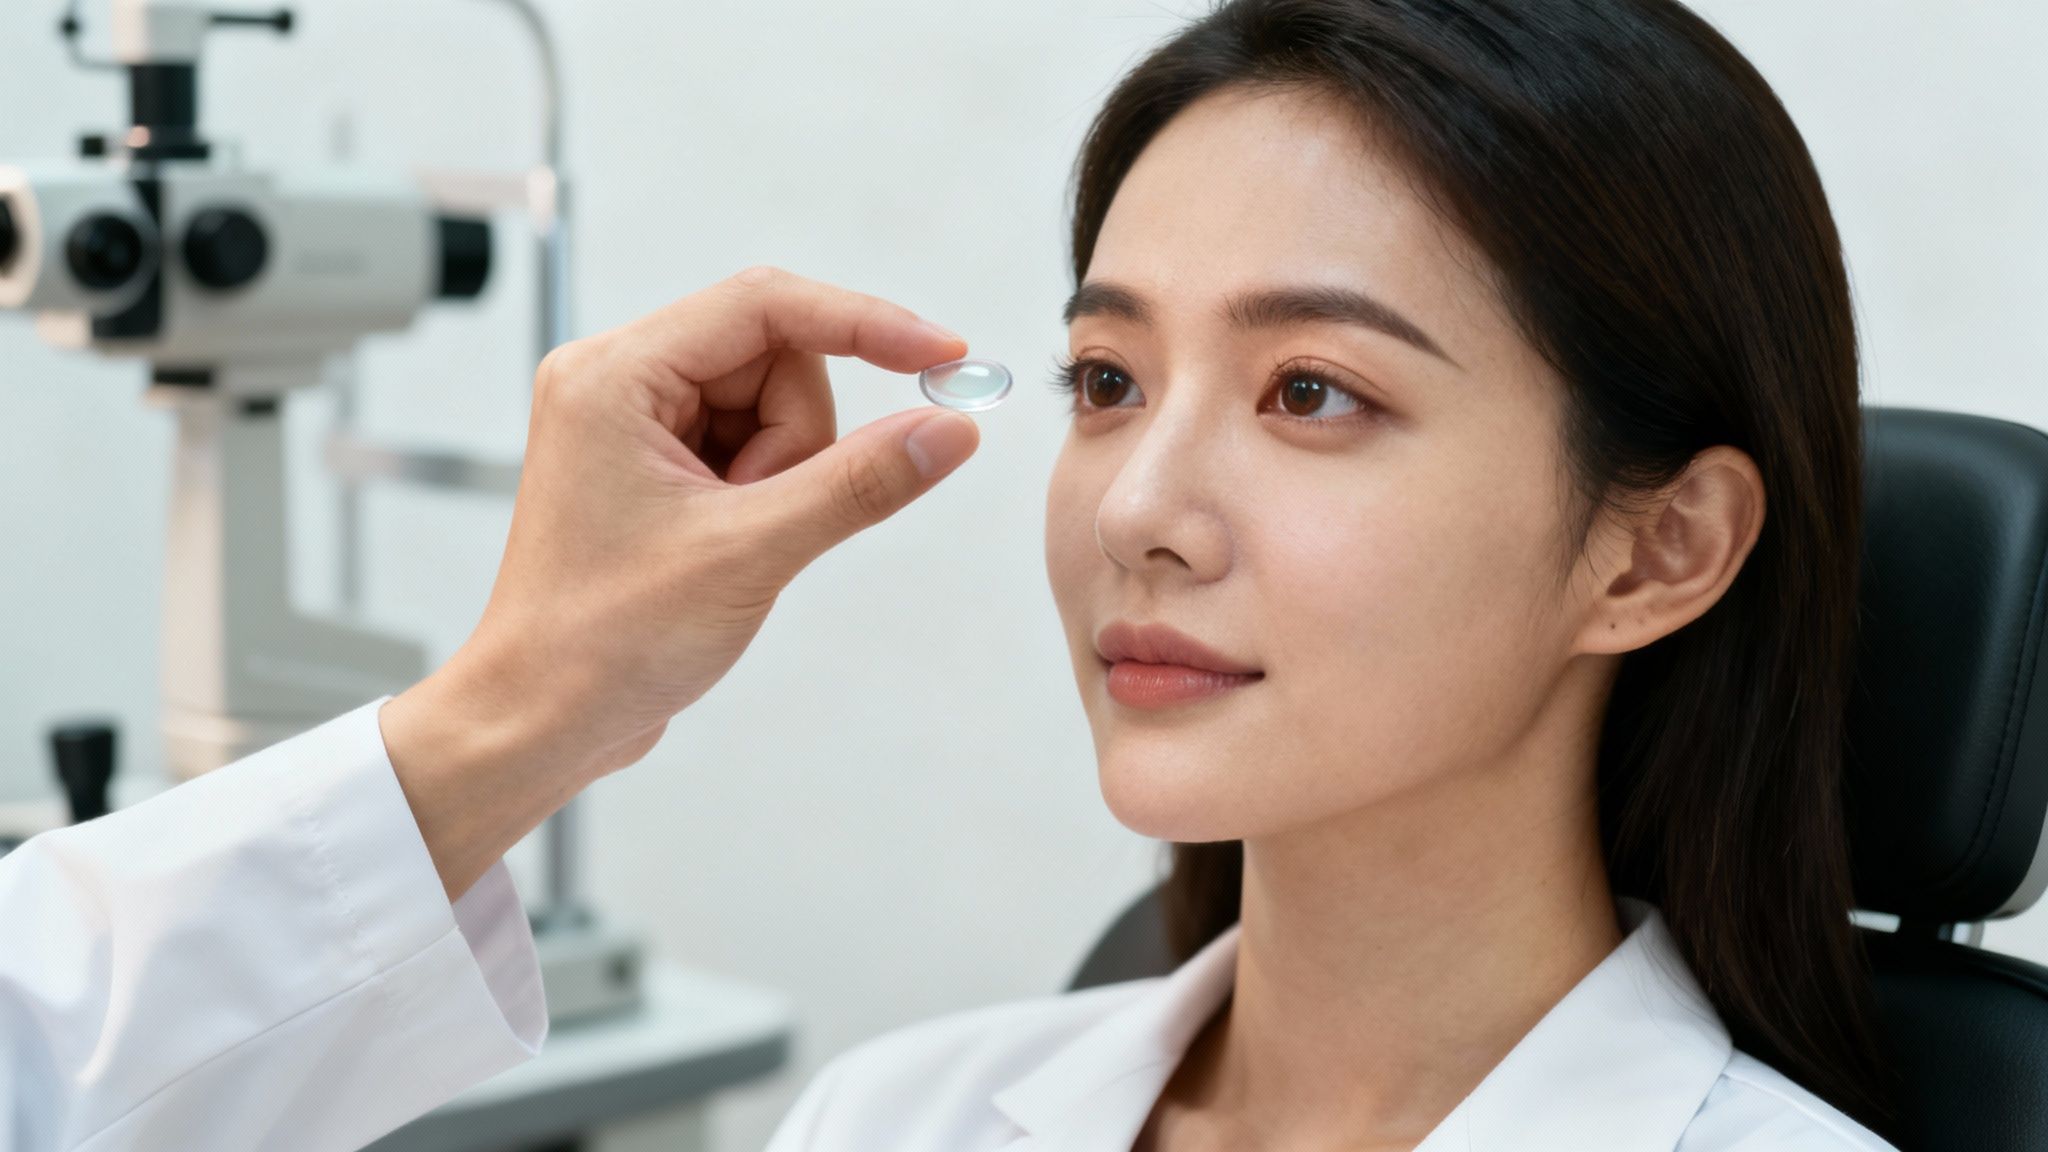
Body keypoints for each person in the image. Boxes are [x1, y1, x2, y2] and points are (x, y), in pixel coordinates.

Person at [0, 0, 1905, 1149]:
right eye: (1104, 381)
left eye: (1312, 392)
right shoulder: (896, 1115)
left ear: (1659, 549)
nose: (1135, 507)